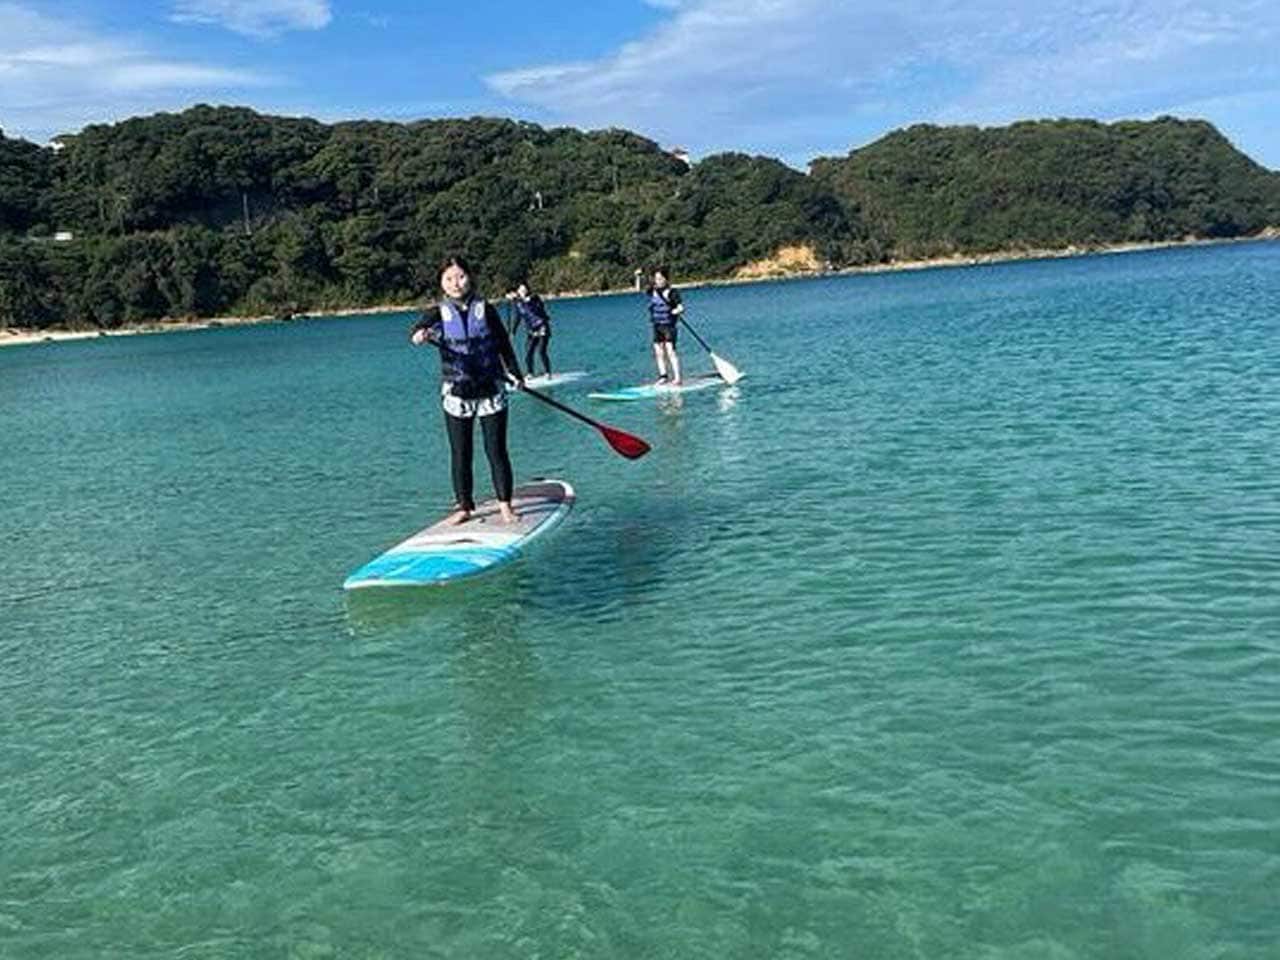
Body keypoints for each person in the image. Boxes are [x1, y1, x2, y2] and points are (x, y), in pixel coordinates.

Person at [410, 255, 524, 525]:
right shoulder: (438, 312)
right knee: (461, 453)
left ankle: (505, 506)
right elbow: (417, 330)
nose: (456, 283)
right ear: (442, 282)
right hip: (457, 392)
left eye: (460, 276)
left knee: (496, 450)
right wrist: (420, 334)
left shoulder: (486, 309)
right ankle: (464, 506)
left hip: (490, 389)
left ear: (470, 277)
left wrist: (516, 374)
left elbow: (503, 344)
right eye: (449, 278)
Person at [507, 281, 554, 377]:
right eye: (521, 290)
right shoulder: (518, 304)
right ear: (518, 291)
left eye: (525, 289)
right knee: (528, 352)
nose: (523, 291)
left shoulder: (535, 298)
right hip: (531, 330)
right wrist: (513, 331)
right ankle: (530, 373)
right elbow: (517, 318)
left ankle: (547, 372)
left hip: (542, 327)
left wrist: (527, 301)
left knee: (541, 351)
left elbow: (538, 308)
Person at [646, 266, 683, 384]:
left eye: (661, 278)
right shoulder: (652, 291)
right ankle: (663, 376)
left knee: (670, 350)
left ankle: (677, 378)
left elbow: (681, 307)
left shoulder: (672, 292)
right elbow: (639, 288)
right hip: (657, 325)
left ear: (666, 279)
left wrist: (676, 311)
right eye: (656, 279)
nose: (658, 281)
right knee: (658, 351)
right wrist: (637, 277)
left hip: (669, 326)